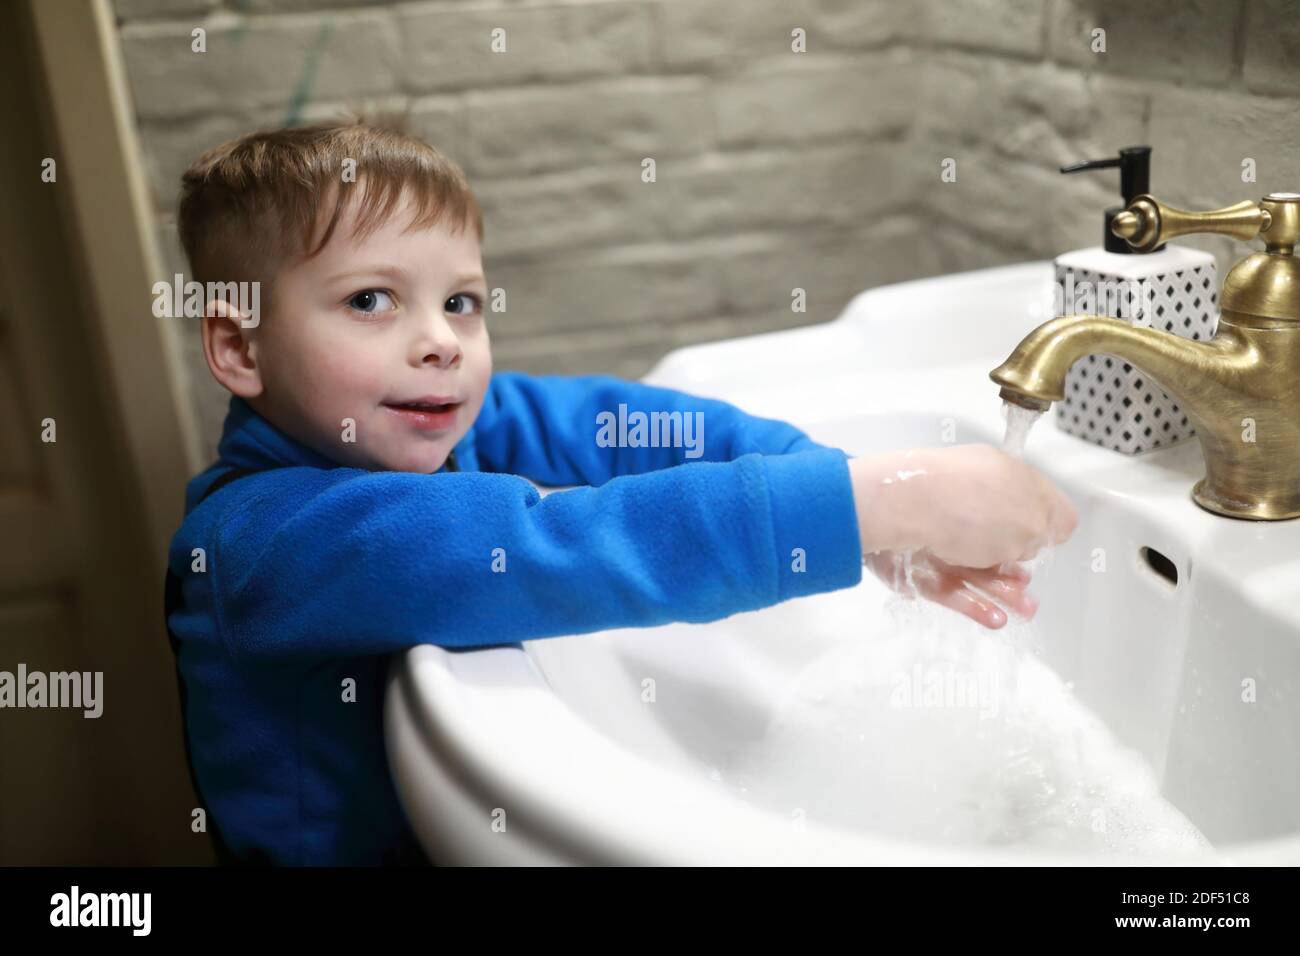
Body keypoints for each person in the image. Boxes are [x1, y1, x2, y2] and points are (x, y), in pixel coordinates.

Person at [165, 118, 1077, 865]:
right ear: (241, 348)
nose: (440, 340)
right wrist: (877, 504)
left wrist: (824, 476)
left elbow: (624, 424)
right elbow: (546, 545)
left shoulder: (430, 421)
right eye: (371, 301)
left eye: (462, 301)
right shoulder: (266, 542)